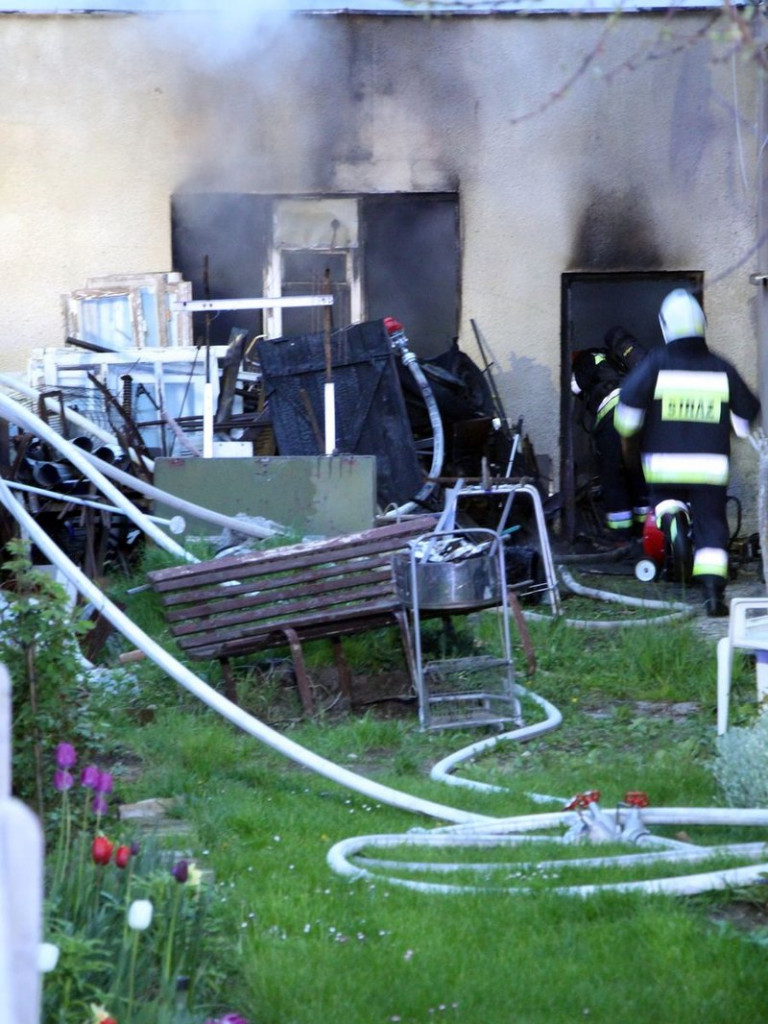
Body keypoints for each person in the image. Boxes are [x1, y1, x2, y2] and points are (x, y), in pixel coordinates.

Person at [615, 289, 761, 616]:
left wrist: (630, 439)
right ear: (702, 324)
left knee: (664, 500)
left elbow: (627, 411)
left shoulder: (655, 364)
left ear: (666, 325)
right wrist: (731, 427)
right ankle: (713, 595)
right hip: (710, 467)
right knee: (711, 524)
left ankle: (670, 519)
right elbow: (747, 414)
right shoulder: (721, 367)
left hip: (663, 465)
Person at [571, 327, 650, 538]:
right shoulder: (619, 360)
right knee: (638, 472)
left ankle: (620, 534)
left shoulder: (588, 358)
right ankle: (645, 532)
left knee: (613, 473)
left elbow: (575, 387)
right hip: (641, 412)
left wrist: (575, 370)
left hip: (613, 414)